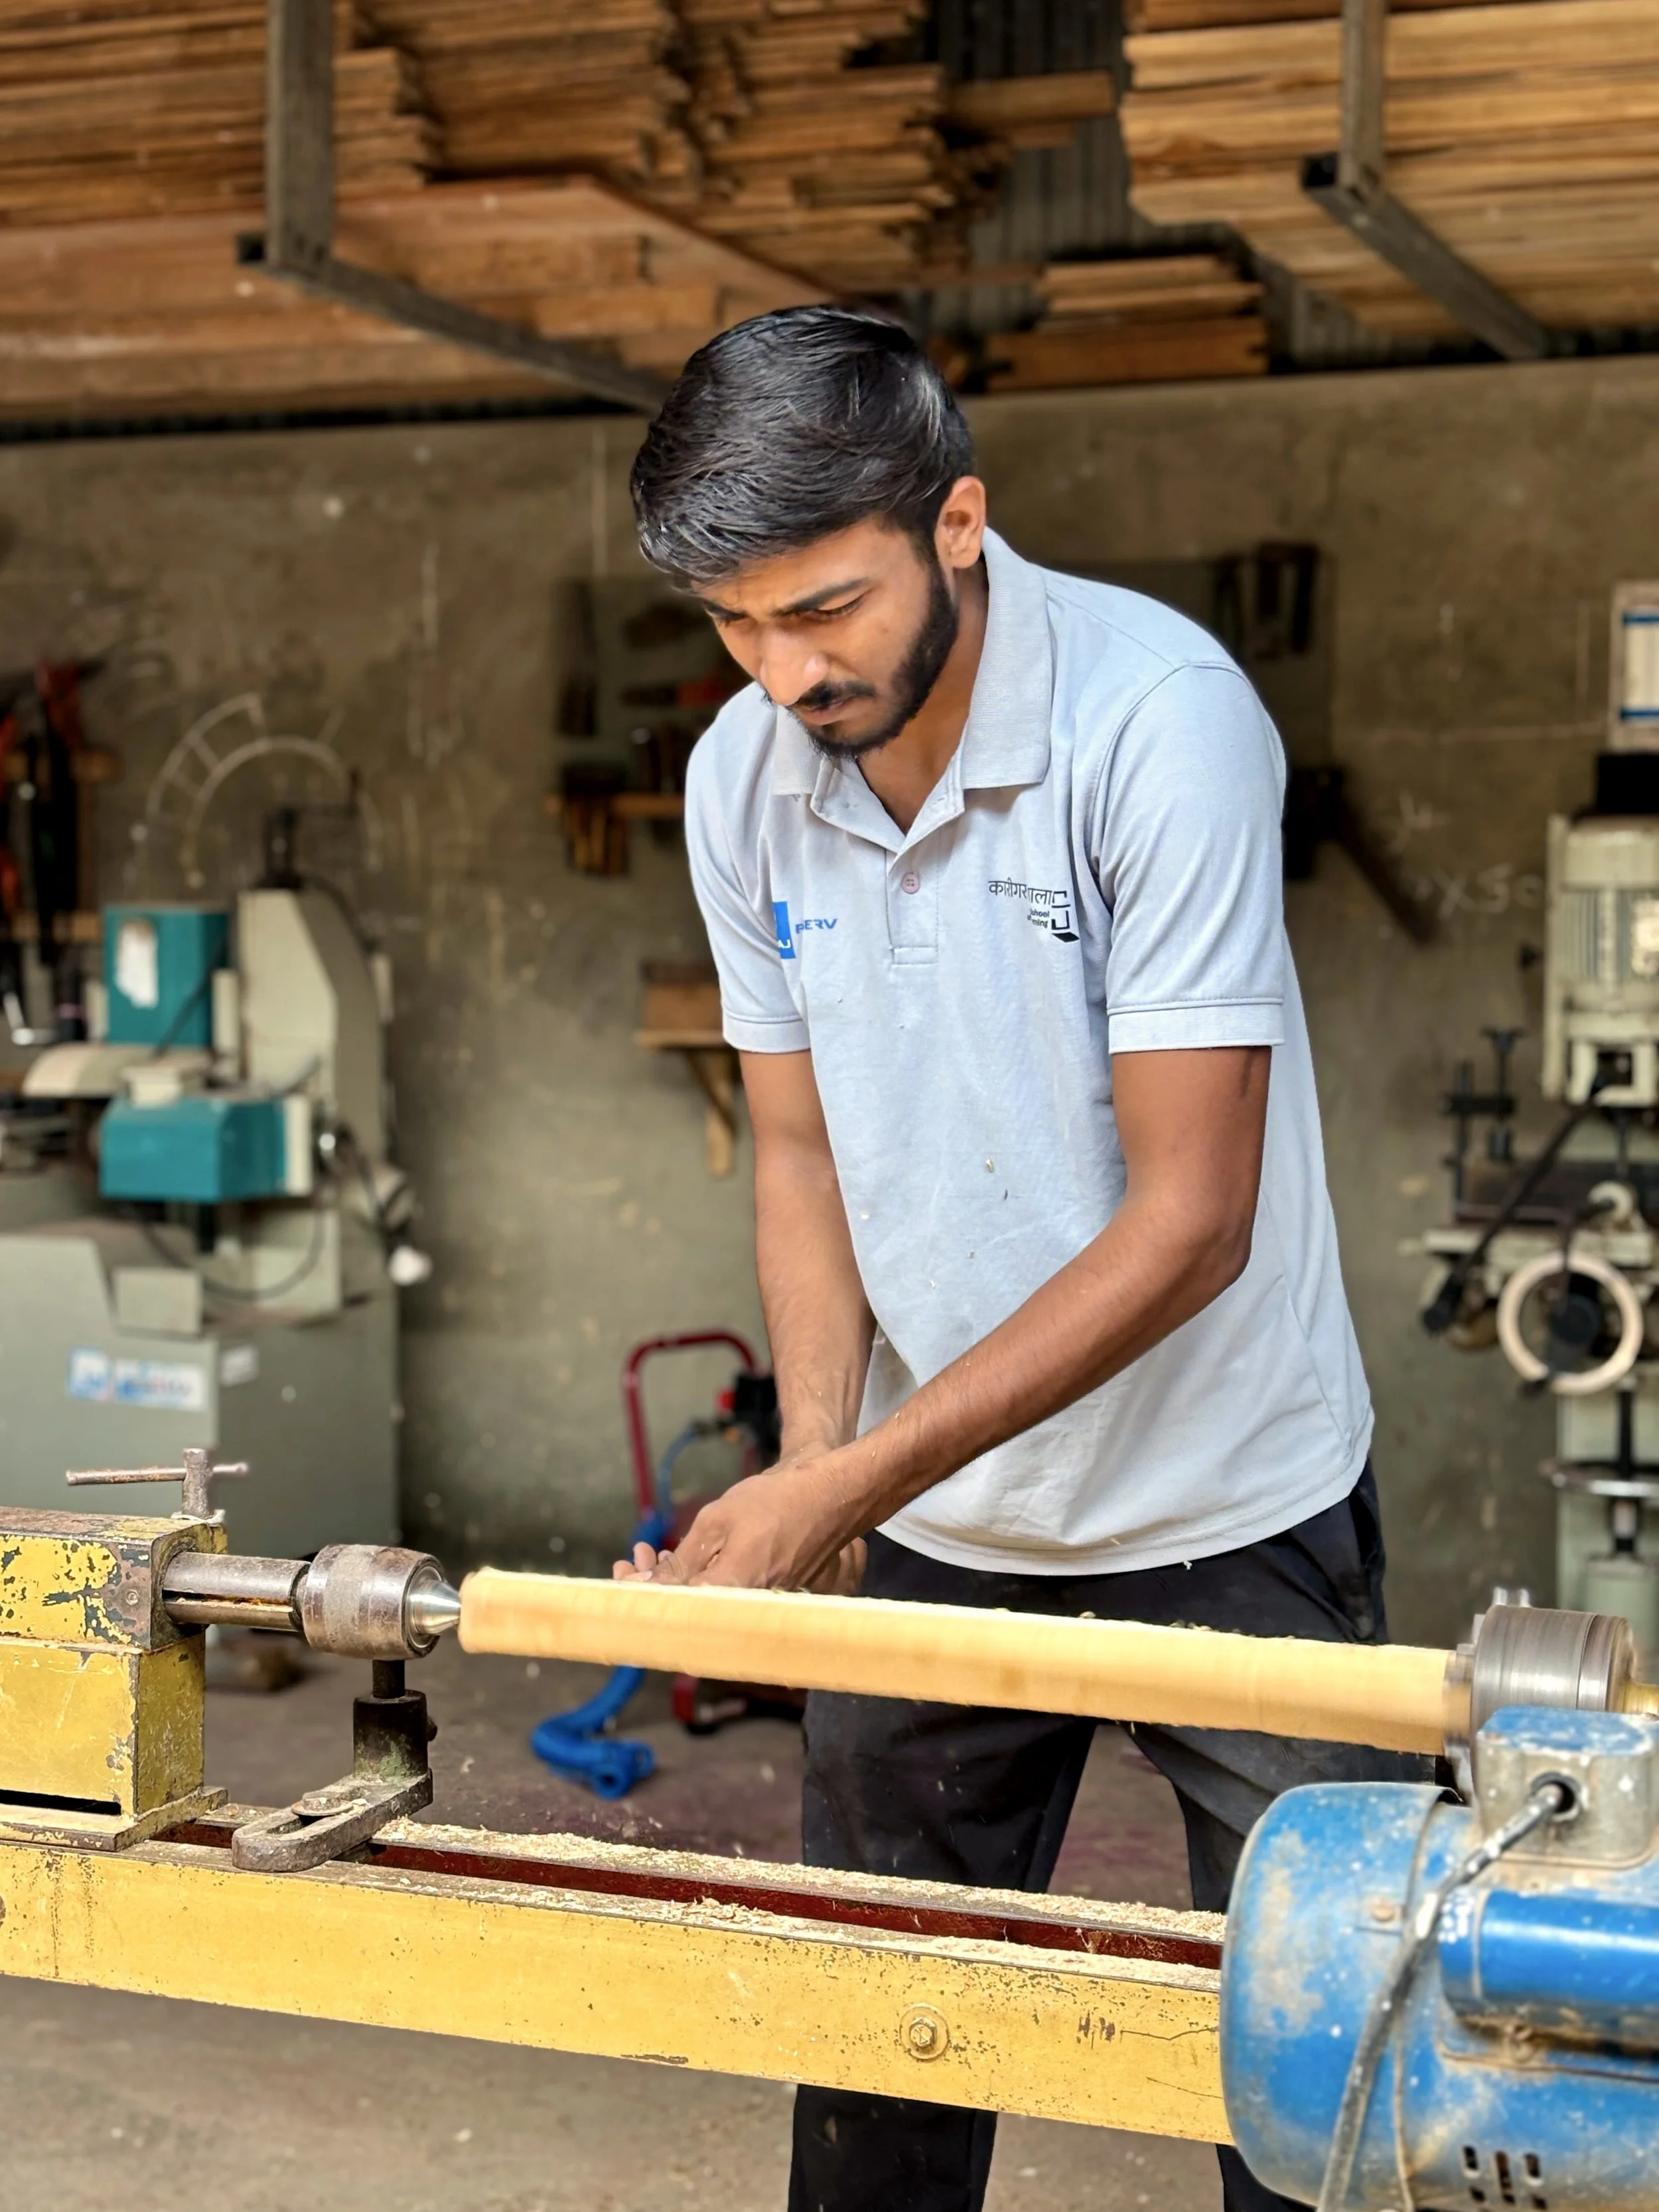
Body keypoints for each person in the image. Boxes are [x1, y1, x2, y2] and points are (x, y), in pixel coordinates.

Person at [620, 305, 1420, 2212]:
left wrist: (847, 1471)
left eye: (821, 608)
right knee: (881, 2055)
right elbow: (800, 1149)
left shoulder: (1158, 721)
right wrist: (815, 1475)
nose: (782, 669)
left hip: (1231, 1504)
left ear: (956, 520)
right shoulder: (745, 779)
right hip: (941, 1519)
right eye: (733, 624)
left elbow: (1189, 1218)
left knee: (1312, 2081)